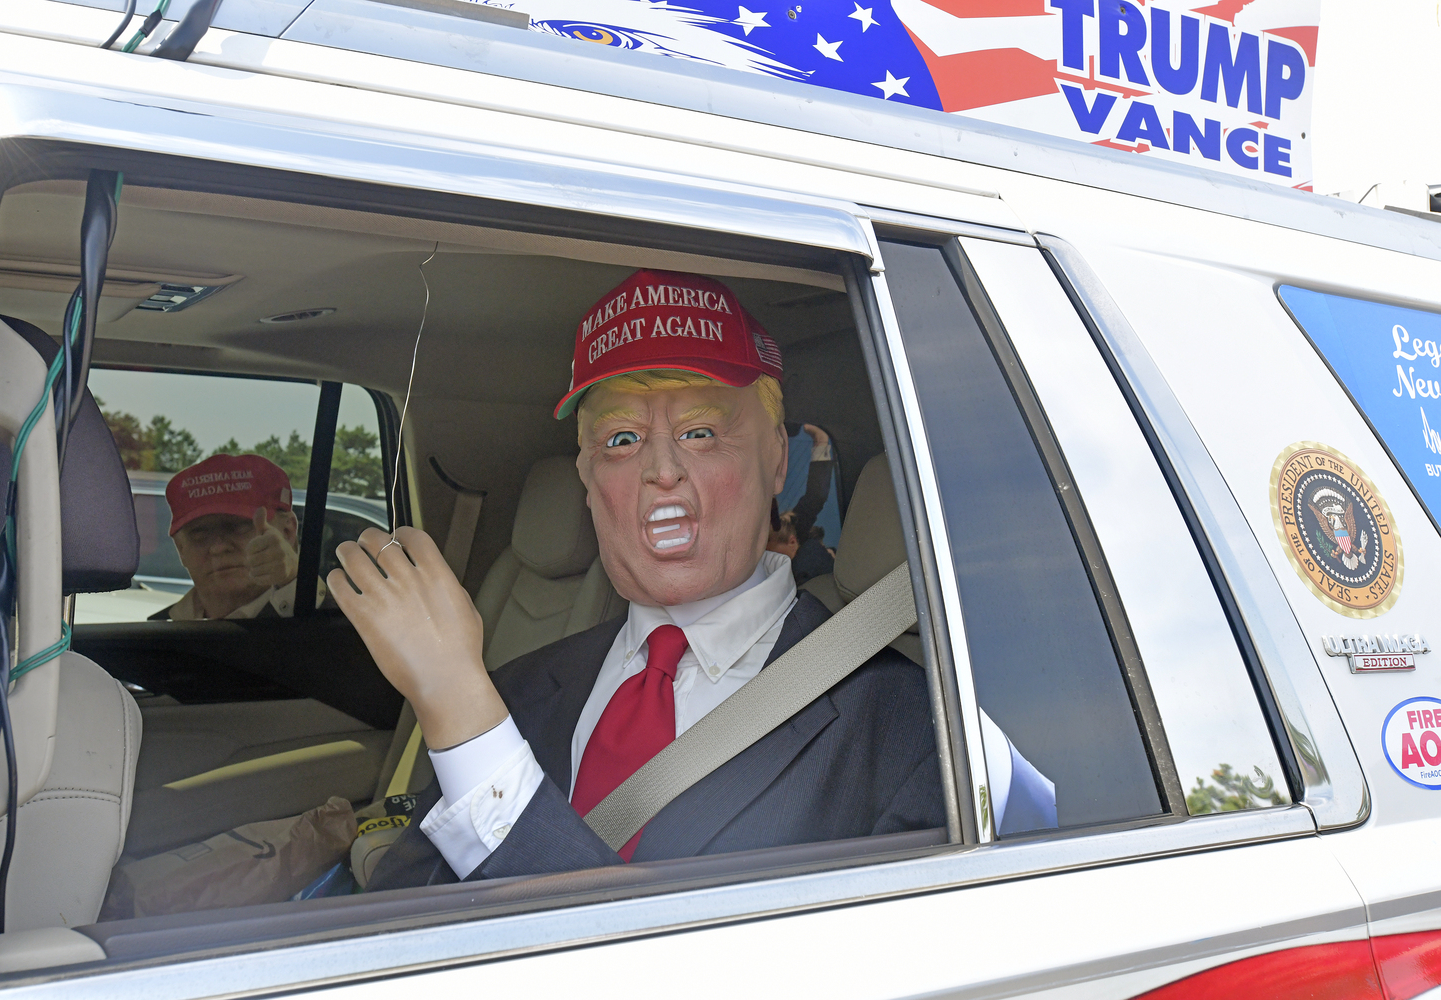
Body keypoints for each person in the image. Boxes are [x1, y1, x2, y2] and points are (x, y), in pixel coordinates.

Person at [331, 268, 1050, 890]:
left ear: (777, 460)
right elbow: (406, 922)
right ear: (586, 478)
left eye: (702, 432)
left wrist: (459, 711)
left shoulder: (920, 735)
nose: (662, 470)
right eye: (621, 440)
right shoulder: (518, 690)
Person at [151, 453, 306, 620]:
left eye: (238, 527)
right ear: (181, 549)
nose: (219, 547)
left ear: (287, 531)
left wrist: (295, 579)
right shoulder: (154, 635)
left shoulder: (327, 623)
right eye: (199, 534)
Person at [765, 423, 836, 585]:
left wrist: (821, 442)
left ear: (792, 542)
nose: (768, 563)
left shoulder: (809, 560)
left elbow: (816, 496)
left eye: (773, 556)